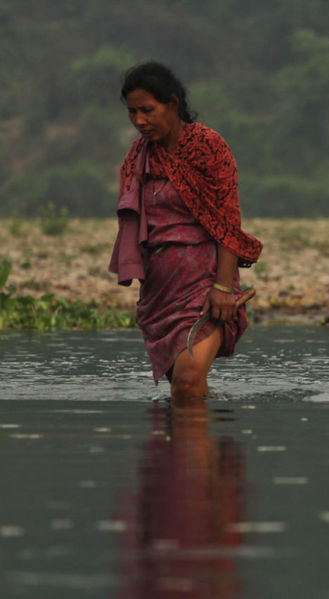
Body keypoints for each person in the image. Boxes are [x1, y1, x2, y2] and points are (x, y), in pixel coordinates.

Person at [109, 62, 262, 404]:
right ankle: (203, 455)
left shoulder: (208, 146)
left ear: (173, 105)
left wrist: (223, 287)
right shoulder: (138, 156)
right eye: (132, 112)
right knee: (183, 390)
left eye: (148, 110)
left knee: (189, 382)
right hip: (160, 294)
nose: (139, 121)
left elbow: (227, 221)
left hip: (205, 285)